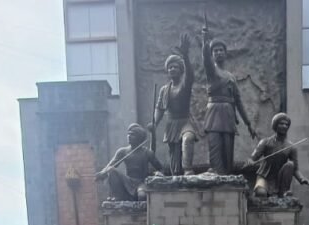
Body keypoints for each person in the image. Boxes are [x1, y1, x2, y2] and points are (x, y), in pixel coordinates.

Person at [200, 26, 257, 174]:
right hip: (214, 115)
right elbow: (205, 60)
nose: (218, 52)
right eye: (215, 51)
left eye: (221, 50)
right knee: (215, 151)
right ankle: (216, 177)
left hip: (228, 116)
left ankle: (227, 179)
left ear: (225, 54)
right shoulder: (211, 71)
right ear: (212, 54)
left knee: (227, 154)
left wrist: (248, 124)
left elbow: (238, 101)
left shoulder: (231, 77)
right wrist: (205, 42)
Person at [151, 34, 198, 176]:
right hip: (171, 124)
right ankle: (177, 176)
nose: (172, 69)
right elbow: (159, 108)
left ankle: (188, 169)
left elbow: (190, 76)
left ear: (181, 70)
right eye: (170, 67)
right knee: (175, 162)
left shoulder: (185, 85)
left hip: (185, 121)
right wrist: (154, 123)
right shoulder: (164, 90)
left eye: (175, 67)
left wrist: (185, 56)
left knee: (188, 138)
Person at [96, 123, 164, 201]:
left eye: (132, 135)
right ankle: (118, 197)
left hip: (142, 183)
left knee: (142, 196)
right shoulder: (123, 151)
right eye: (128, 134)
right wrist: (102, 173)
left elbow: (160, 169)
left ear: (139, 138)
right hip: (128, 181)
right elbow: (111, 165)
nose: (129, 136)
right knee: (111, 170)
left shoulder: (147, 153)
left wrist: (157, 174)